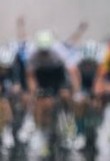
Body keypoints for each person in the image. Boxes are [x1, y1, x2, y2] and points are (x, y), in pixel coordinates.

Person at [25, 30, 80, 158]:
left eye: (46, 51)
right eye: (42, 51)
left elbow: (73, 72)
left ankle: (69, 128)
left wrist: (75, 91)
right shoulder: (33, 54)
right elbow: (30, 76)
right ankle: (42, 135)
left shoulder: (59, 51)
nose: (44, 54)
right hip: (43, 77)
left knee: (66, 96)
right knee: (41, 102)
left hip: (59, 76)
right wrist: (33, 91)